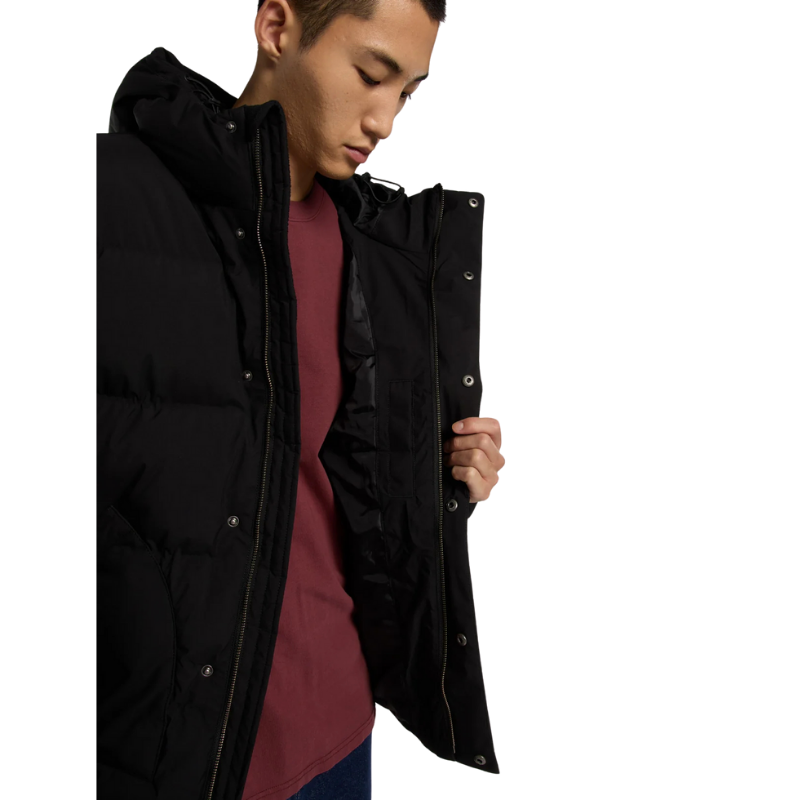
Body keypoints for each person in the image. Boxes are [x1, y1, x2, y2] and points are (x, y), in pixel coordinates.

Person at [97, 1, 505, 798]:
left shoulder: (374, 250)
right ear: (278, 27)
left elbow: (333, 485)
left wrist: (441, 475)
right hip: (180, 750)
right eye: (370, 74)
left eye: (407, 92)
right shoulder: (113, 205)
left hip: (340, 728)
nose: (385, 121)